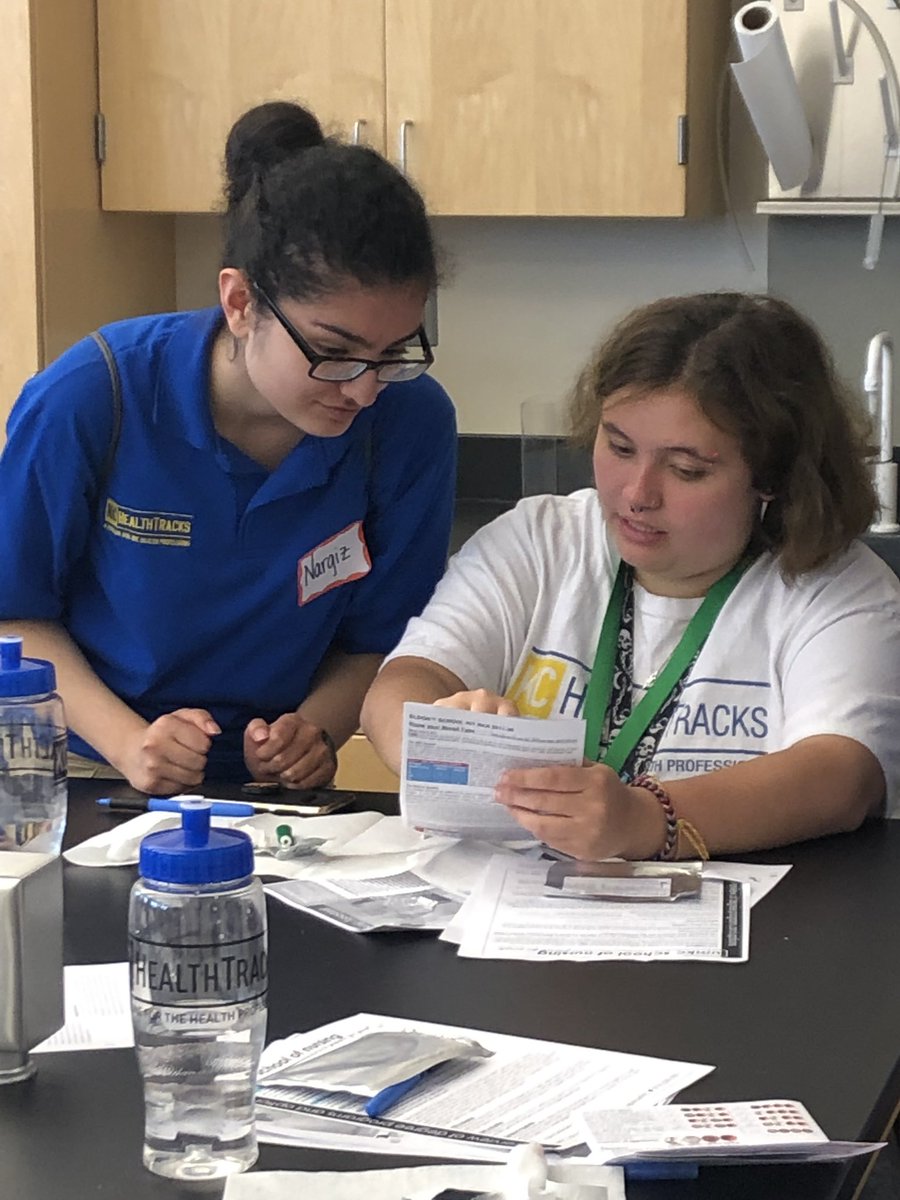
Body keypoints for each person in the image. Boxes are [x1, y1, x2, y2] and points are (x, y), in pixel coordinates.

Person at [0, 101, 456, 796]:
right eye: (334, 352)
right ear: (241, 304)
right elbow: (14, 617)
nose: (365, 390)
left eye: (394, 352)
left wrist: (313, 733)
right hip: (90, 771)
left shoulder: (410, 424)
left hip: (275, 795)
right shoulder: (96, 395)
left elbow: (386, 641)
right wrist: (130, 745)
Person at [361, 292, 900, 861]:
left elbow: (842, 775)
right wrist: (442, 731)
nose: (637, 494)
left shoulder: (838, 588)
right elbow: (402, 684)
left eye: (687, 470)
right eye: (619, 447)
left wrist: (645, 818)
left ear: (773, 475)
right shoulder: (541, 541)